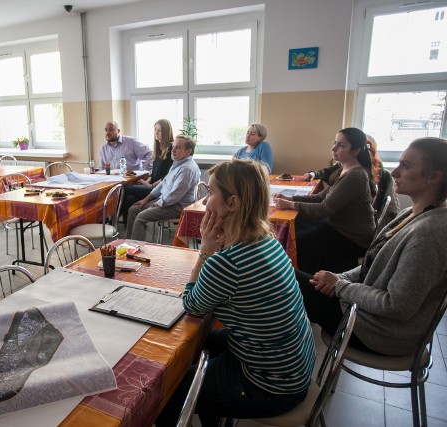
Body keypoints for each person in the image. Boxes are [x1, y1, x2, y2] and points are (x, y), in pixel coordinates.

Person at [155, 160, 315, 426]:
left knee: (169, 394)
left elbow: (192, 305)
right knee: (201, 343)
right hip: (293, 366)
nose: (205, 203)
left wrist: (206, 248)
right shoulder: (267, 241)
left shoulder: (227, 263)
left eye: (211, 193)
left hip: (270, 387)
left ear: (233, 204)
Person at [297, 137, 447, 356]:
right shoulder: (412, 214)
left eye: (405, 166)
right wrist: (341, 278)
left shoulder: (430, 234)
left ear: (433, 177)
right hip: (363, 310)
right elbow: (374, 263)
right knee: (289, 280)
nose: (394, 173)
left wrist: (340, 285)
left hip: (378, 332)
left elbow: (396, 306)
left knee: (279, 277)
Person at [274, 128, 376, 274]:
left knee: (296, 245)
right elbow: (321, 197)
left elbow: (323, 209)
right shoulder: (345, 169)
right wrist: (291, 198)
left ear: (356, 151)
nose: (333, 148)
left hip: (352, 238)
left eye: (341, 145)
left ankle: (311, 281)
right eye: (335, 143)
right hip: (339, 227)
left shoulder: (356, 176)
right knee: (297, 231)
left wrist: (290, 205)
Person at [125, 135, 200, 241]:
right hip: (165, 201)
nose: (173, 150)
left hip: (177, 207)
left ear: (188, 152)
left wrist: (157, 204)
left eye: (178, 147)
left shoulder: (187, 169)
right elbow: (162, 184)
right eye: (173, 146)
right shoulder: (177, 163)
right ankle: (129, 243)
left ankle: (136, 250)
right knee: (133, 209)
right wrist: (145, 200)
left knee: (141, 217)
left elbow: (174, 196)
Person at [121, 119, 174, 222]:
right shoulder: (158, 149)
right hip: (152, 187)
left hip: (160, 190)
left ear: (166, 132)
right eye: (155, 130)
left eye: (160, 130)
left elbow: (168, 176)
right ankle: (126, 227)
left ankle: (115, 221)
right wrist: (146, 182)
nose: (156, 133)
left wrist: (151, 185)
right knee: (130, 198)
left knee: (125, 188)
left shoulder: (171, 148)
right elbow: (154, 174)